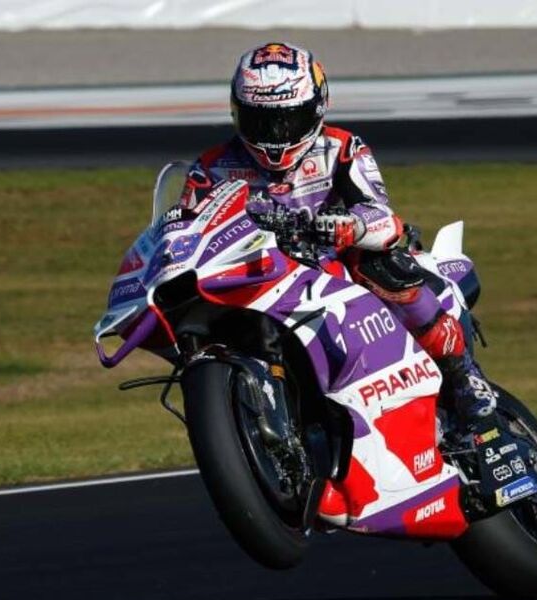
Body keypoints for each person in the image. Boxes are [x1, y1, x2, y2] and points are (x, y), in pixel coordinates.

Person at [179, 42, 497, 442]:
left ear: (316, 109)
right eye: (260, 121)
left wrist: (348, 226)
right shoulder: (211, 168)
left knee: (378, 263)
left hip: (336, 265)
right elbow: (188, 229)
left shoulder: (343, 149)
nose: (274, 136)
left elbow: (384, 218)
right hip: (259, 272)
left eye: (287, 121)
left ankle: (462, 374)